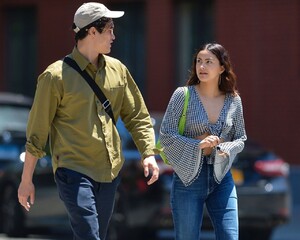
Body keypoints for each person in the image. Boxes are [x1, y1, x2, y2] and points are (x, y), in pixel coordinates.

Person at [18, 2, 159, 240]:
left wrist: (148, 153)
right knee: (89, 235)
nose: (114, 36)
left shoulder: (118, 70)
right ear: (92, 31)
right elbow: (37, 133)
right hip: (74, 171)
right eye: (110, 29)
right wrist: (26, 180)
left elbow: (137, 116)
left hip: (110, 173)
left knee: (96, 236)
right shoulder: (55, 76)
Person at [159, 43, 247, 240]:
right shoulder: (183, 95)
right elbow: (166, 135)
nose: (202, 67)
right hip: (188, 180)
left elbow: (241, 138)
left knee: (230, 236)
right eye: (199, 61)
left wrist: (225, 146)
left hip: (222, 178)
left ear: (222, 68)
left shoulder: (234, 100)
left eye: (209, 62)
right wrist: (197, 145)